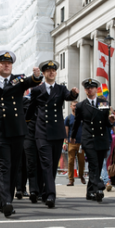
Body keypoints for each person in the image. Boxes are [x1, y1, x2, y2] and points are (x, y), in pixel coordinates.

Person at [0, 50, 42, 217]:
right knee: (3, 166)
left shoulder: (18, 79)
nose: (6, 65)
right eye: (3, 63)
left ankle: (5, 201)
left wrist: (36, 76)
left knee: (14, 167)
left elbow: (31, 82)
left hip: (17, 130)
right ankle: (6, 202)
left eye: (9, 63)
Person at [28, 60, 79, 207]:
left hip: (57, 131)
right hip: (42, 131)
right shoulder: (37, 90)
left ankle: (45, 191)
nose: (51, 72)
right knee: (46, 163)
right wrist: (25, 125)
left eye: (53, 70)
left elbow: (69, 96)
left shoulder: (61, 89)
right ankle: (51, 195)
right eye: (48, 70)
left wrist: (74, 93)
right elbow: (31, 110)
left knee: (52, 165)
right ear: (43, 73)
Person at [71, 78, 115, 202]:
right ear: (85, 90)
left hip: (101, 138)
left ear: (96, 89)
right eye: (87, 88)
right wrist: (72, 136)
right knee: (94, 164)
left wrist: (112, 121)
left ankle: (90, 192)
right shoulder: (81, 105)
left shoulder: (103, 103)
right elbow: (77, 122)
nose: (89, 90)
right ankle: (98, 187)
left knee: (97, 165)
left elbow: (107, 122)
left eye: (92, 88)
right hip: (89, 138)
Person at [64, 101, 85, 187]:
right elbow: (66, 130)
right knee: (71, 161)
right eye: (73, 106)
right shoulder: (68, 118)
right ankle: (71, 180)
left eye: (76, 106)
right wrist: (65, 140)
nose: (75, 107)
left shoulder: (82, 117)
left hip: (81, 142)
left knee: (81, 161)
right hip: (71, 142)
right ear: (70, 107)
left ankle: (81, 176)